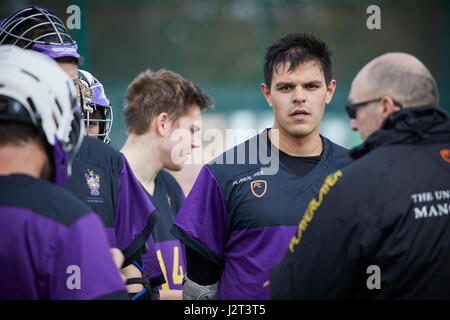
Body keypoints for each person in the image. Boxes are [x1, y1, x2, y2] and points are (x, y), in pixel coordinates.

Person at [170, 33, 352, 299]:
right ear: (268, 94)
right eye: (286, 87)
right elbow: (199, 290)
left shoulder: (357, 172)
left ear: (329, 91)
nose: (299, 97)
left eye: (311, 86)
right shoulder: (224, 174)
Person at [0, 6, 158, 300]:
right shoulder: (70, 222)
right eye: (53, 80)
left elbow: (136, 269)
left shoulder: (107, 162)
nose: (68, 96)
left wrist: (126, 284)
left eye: (72, 83)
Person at [270, 52, 450, 299]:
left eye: (354, 110)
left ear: (386, 106)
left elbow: (296, 288)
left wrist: (284, 277)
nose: (353, 124)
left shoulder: (356, 183)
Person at [121, 69, 214, 299]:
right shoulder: (107, 189)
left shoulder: (169, 187)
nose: (195, 143)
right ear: (163, 123)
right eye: (192, 130)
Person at [78, 69, 113, 143]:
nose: (84, 133)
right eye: (75, 123)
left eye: (90, 123)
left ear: (101, 127)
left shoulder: (110, 154)